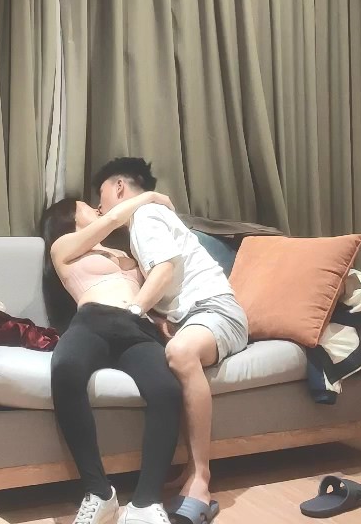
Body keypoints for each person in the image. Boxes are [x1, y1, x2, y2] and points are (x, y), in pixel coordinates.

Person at [95, 157, 249, 519]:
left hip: (217, 310)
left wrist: (132, 313)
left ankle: (201, 476)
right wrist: (159, 317)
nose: (99, 208)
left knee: (179, 353)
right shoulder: (148, 216)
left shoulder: (145, 217)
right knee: (165, 356)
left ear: (119, 187)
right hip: (197, 316)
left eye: (100, 196)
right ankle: (186, 469)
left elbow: (164, 270)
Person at [41, 192, 183, 524]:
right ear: (69, 219)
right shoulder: (63, 247)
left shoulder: (125, 251)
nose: (97, 209)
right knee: (65, 369)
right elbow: (113, 218)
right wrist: (149, 196)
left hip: (137, 325)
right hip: (92, 320)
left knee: (167, 390)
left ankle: (145, 502)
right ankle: (99, 493)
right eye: (86, 208)